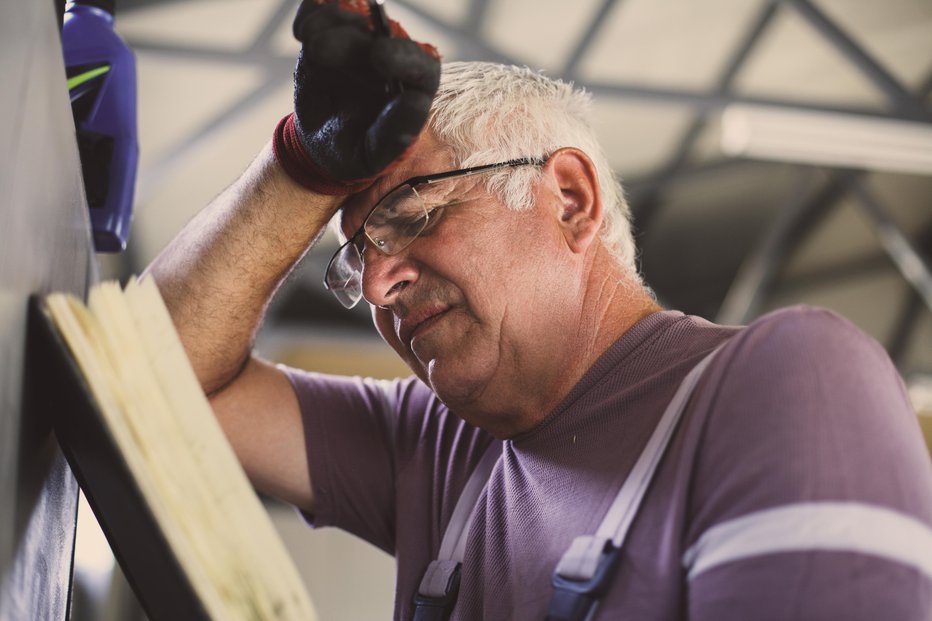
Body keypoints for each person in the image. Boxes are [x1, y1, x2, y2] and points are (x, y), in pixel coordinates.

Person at [146, 1, 932, 619]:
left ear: (569, 199)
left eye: (417, 216)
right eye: (359, 256)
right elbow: (149, 376)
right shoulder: (434, 446)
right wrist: (301, 168)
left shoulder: (789, 389)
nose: (379, 286)